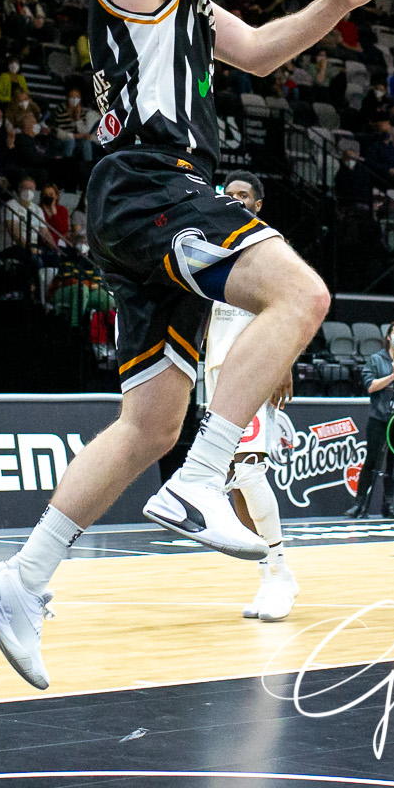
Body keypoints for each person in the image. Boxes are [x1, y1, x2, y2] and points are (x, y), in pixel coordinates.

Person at [0, 0, 389, 695]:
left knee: (146, 421)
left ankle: (22, 578)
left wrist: (337, 2)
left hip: (134, 202)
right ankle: (205, 484)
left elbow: (254, 53)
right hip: (153, 185)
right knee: (302, 296)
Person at [160, 172, 298, 620]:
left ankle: (281, 575)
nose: (233, 199)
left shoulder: (266, 249)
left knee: (252, 472)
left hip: (253, 370)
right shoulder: (211, 248)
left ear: (257, 204)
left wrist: (284, 364)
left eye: (242, 195)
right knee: (236, 479)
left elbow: (291, 307)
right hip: (217, 374)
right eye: (228, 194)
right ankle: (268, 575)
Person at [354, 321, 394, 520]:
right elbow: (370, 386)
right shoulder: (376, 359)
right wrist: (392, 376)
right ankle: (360, 503)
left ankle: (389, 504)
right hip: (380, 417)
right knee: (372, 459)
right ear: (389, 336)